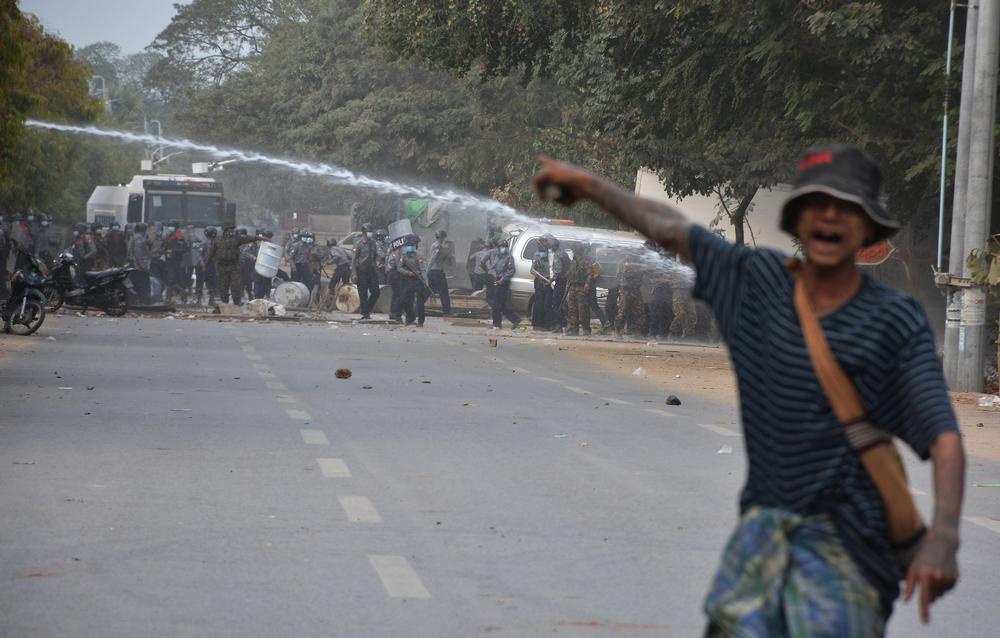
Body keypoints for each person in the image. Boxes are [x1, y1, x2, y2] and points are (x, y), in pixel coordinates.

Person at [533, 147, 965, 635]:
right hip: (763, 534)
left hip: (850, 547)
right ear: (799, 221)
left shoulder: (894, 319)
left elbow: (943, 436)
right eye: (815, 203)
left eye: (845, 207)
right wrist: (592, 187)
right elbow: (670, 227)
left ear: (866, 229)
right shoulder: (757, 281)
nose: (828, 215)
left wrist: (943, 538)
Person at [212, 223, 263, 306]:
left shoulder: (250, 243)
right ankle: (235, 299)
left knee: (248, 280)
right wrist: (250, 256)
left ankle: (248, 295)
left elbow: (254, 251)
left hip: (248, 264)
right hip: (237, 264)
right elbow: (241, 252)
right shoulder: (236, 241)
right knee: (236, 283)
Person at [564, 243, 598, 336]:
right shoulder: (573, 262)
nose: (573, 253)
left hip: (581, 287)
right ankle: (573, 329)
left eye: (574, 251)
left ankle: (586, 329)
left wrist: (587, 284)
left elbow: (590, 274)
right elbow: (570, 274)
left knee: (583, 310)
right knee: (572, 309)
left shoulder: (585, 262)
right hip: (573, 287)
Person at [488, 238, 521, 330]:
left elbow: (511, 271)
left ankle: (497, 324)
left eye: (505, 247)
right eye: (501, 247)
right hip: (496, 280)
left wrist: (502, 279)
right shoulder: (496, 257)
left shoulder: (509, 257)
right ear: (498, 248)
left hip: (503, 282)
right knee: (500, 304)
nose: (503, 248)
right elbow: (492, 268)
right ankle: (515, 320)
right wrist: (494, 275)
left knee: (497, 304)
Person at [397, 234, 429, 327]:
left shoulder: (418, 256)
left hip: (418, 280)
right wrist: (407, 273)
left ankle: (421, 321)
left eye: (410, 245)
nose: (408, 247)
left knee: (420, 302)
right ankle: (410, 317)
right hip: (408, 280)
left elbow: (422, 269)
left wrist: (426, 281)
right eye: (407, 245)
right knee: (405, 300)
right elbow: (399, 267)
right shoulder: (404, 256)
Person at [351, 223, 380, 319]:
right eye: (368, 232)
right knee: (363, 293)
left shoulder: (373, 243)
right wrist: (354, 273)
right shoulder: (359, 244)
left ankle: (366, 310)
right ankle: (366, 314)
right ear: (363, 233)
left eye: (371, 232)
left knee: (376, 292)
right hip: (361, 271)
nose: (370, 234)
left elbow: (375, 255)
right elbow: (354, 260)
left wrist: (377, 262)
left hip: (371, 270)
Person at [613, 254, 647, 338]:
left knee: (640, 311)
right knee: (623, 311)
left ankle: (638, 332)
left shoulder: (639, 262)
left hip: (636, 289)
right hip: (626, 290)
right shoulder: (624, 262)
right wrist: (639, 270)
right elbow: (625, 274)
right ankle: (618, 330)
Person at [548, 235, 571, 330]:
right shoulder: (564, 253)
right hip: (565, 281)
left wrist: (552, 279)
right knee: (561, 303)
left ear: (554, 246)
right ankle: (564, 323)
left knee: (556, 303)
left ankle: (558, 325)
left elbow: (558, 270)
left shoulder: (558, 255)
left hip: (560, 281)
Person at [427, 229, 452, 316]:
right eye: (444, 237)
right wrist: (427, 270)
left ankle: (417, 308)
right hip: (436, 271)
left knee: (429, 290)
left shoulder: (440, 246)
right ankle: (447, 311)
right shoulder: (437, 246)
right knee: (443, 292)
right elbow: (433, 258)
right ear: (442, 237)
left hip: (436, 271)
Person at [163, 221, 189, 303]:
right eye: (169, 226)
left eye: (172, 226)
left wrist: (173, 251)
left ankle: (178, 297)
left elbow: (184, 249)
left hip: (177, 261)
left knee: (175, 280)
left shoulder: (179, 236)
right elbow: (165, 246)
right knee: (171, 280)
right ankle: (171, 297)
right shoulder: (168, 236)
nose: (170, 228)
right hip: (169, 261)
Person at [529, 238, 552, 330]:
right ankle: (537, 324)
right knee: (538, 303)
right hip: (540, 282)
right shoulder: (537, 254)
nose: (539, 246)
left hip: (549, 282)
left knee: (547, 304)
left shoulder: (551, 255)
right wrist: (541, 277)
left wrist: (549, 278)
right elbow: (533, 270)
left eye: (541, 244)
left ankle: (546, 324)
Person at [127, 222, 152, 304]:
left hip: (133, 264)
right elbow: (138, 253)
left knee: (135, 283)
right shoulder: (139, 239)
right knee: (143, 284)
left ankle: (135, 301)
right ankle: (144, 302)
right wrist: (143, 266)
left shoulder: (133, 237)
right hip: (138, 265)